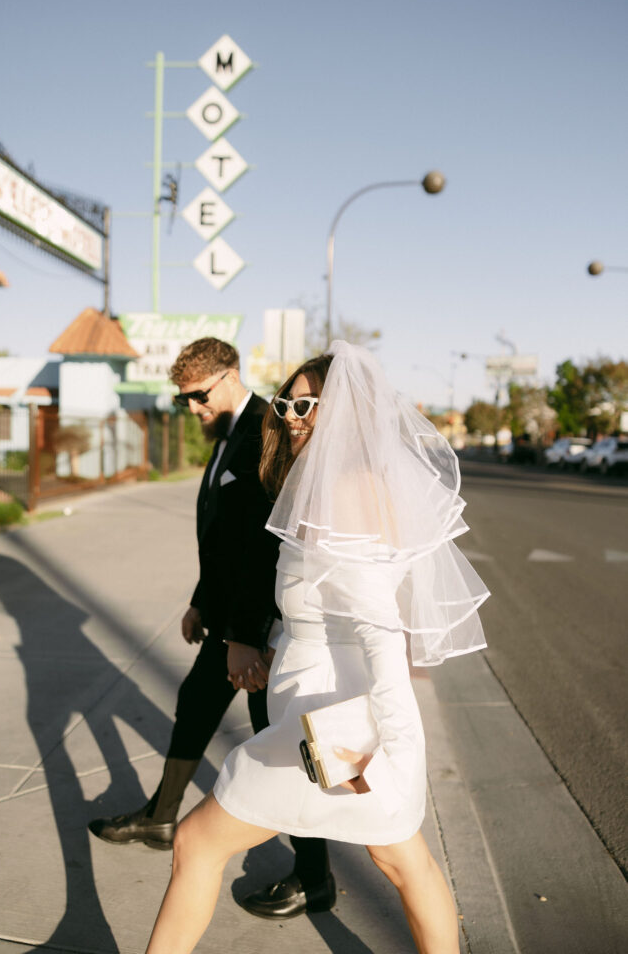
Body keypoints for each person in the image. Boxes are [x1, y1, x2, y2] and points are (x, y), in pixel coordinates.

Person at [145, 341, 489, 954]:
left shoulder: (347, 492)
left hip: (330, 725)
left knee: (197, 843)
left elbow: (379, 625)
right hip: (333, 709)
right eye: (288, 404)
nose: (293, 417)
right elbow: (327, 608)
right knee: (403, 861)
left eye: (309, 406)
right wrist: (284, 639)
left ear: (351, 413)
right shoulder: (339, 484)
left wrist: (395, 739)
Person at [89, 337, 333, 917]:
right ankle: (161, 816)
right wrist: (201, 601)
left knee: (278, 744)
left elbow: (257, 549)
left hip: (253, 627)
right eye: (182, 402)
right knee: (196, 703)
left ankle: (313, 874)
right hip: (225, 616)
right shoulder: (227, 437)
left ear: (229, 378)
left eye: (198, 397)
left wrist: (244, 638)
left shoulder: (262, 431)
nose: (193, 409)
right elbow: (221, 538)